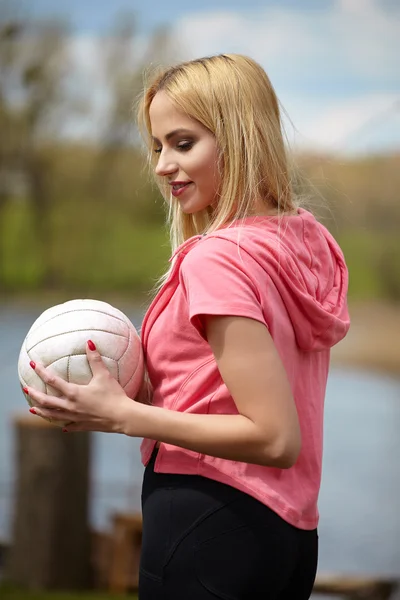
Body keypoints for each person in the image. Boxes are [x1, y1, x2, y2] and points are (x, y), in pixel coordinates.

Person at [25, 54, 350, 599]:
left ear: (240, 138)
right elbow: (222, 392)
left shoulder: (216, 260)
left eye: (182, 143)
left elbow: (273, 436)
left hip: (208, 524)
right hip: (287, 536)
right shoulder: (301, 240)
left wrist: (124, 415)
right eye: (157, 147)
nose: (161, 166)